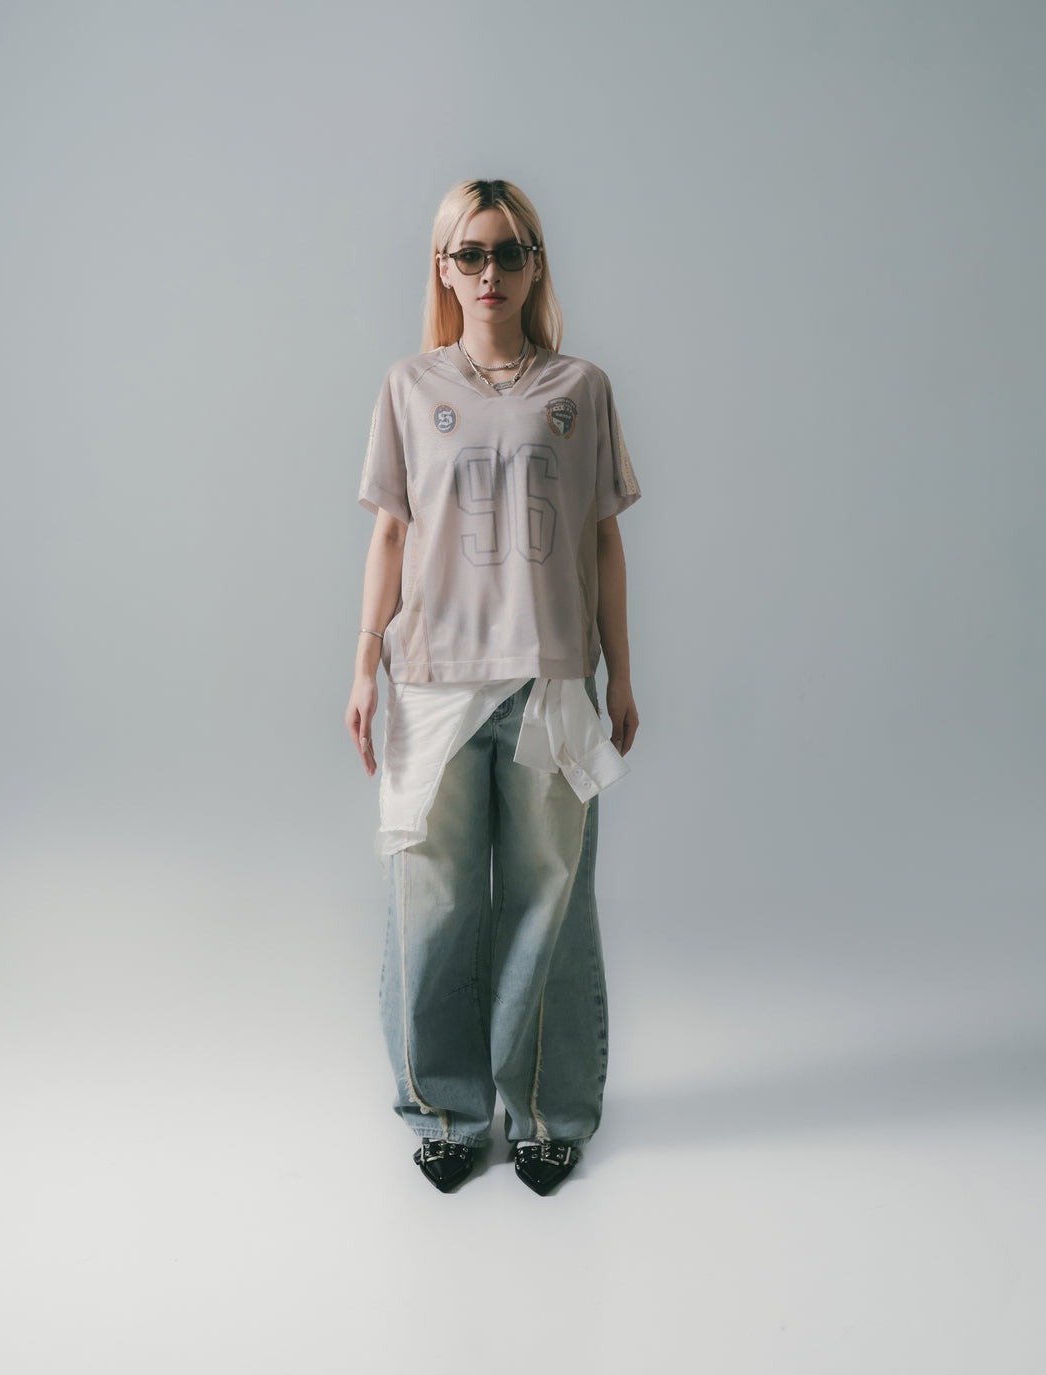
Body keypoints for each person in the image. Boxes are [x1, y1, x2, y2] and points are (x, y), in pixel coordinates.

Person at [345, 178, 641, 1196]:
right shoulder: (407, 386)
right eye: (469, 253)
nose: (489, 273)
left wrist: (621, 673)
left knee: (547, 900)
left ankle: (549, 1113)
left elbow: (603, 540)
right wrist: (363, 663)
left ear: (534, 265)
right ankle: (445, 1111)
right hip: (432, 682)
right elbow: (390, 532)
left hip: (549, 677)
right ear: (442, 266)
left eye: (509, 252)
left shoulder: (580, 389)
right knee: (430, 905)